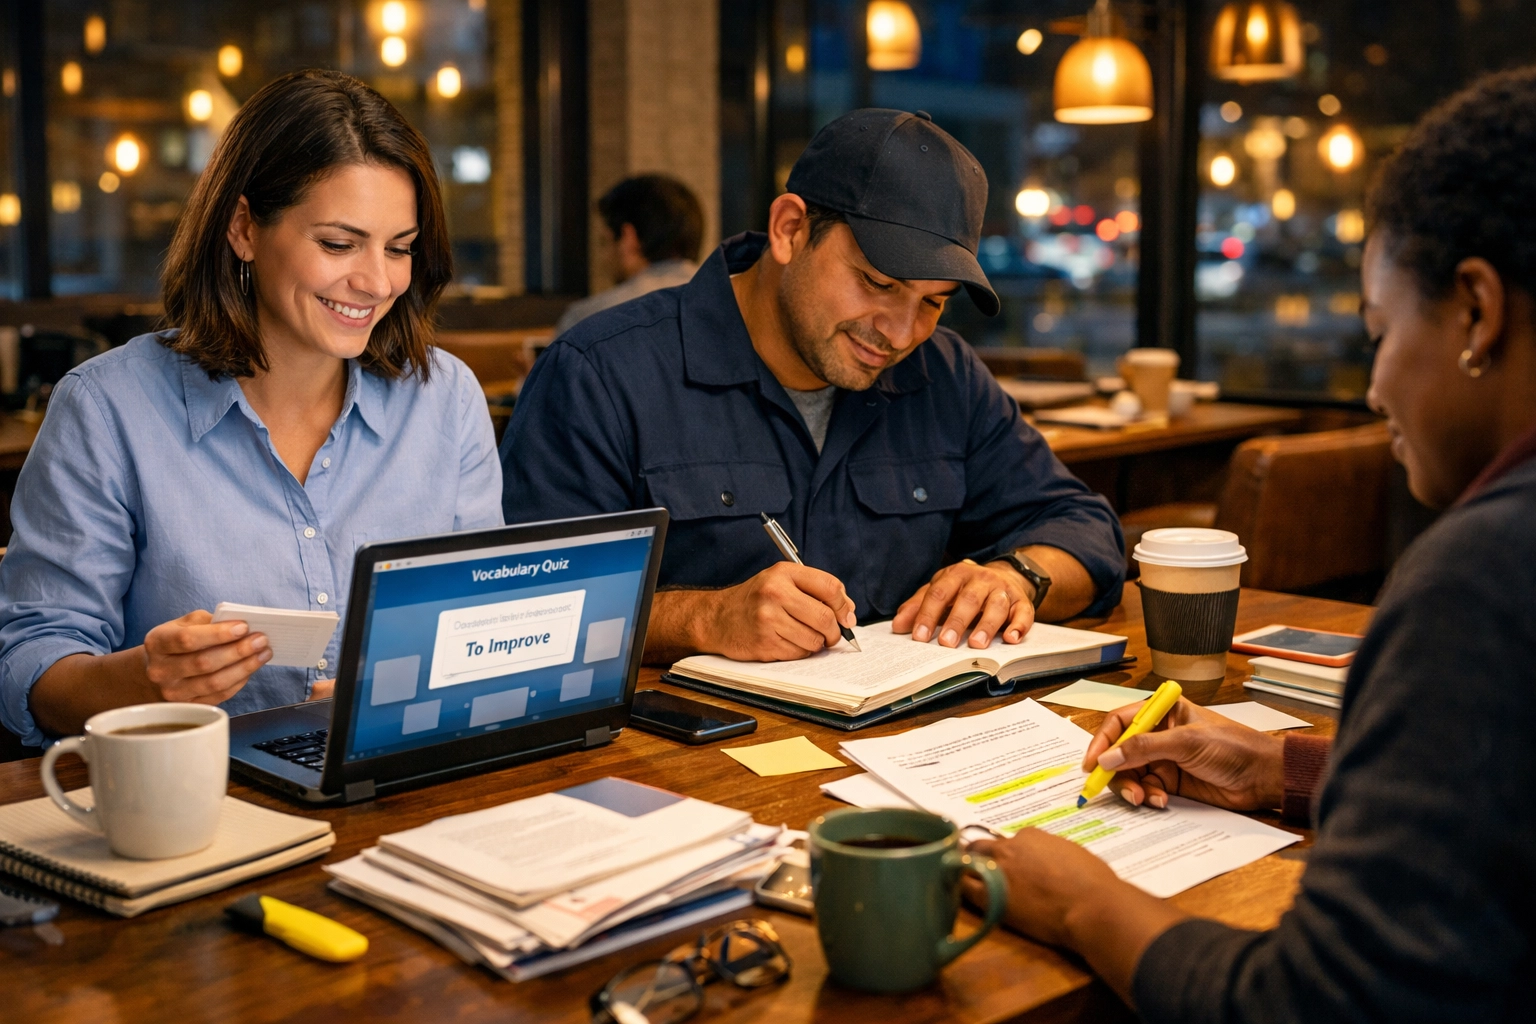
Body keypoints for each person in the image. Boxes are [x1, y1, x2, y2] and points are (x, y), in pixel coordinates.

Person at [966, 68, 1536, 1022]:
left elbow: (1314, 1005)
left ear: (1476, 312)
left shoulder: (1485, 576)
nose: (1373, 389)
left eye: (1379, 331)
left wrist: (1075, 899)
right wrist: (1286, 770)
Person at [502, 109, 1123, 664]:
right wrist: (704, 619)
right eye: (877, 284)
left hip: (900, 752)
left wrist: (1018, 577)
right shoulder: (602, 371)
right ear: (791, 229)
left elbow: (1084, 528)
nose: (901, 334)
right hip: (682, 770)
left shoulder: (944, 374)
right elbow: (524, 612)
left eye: (933, 302)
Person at [0, 70, 502, 748]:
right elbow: (30, 666)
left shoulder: (445, 400)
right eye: (338, 243)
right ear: (243, 228)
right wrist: (146, 683)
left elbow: (486, 628)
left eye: (400, 248)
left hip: (406, 788)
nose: (377, 281)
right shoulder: (107, 409)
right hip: (200, 804)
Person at [552, 174, 704, 334]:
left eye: (604, 242)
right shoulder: (726, 304)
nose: (604, 259)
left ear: (628, 238)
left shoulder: (587, 320)